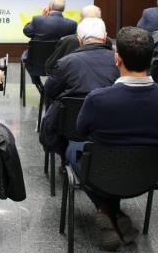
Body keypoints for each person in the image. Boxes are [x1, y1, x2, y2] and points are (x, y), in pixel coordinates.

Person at [65, 26, 158, 251]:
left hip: (101, 171)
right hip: (148, 175)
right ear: (151, 59)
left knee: (73, 149)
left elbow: (80, 130)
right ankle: (114, 211)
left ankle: (105, 208)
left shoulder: (99, 98)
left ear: (117, 59)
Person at [40, 17, 119, 154]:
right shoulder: (119, 60)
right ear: (105, 37)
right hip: (112, 128)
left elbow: (49, 91)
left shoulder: (66, 62)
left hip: (71, 130)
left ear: (79, 40)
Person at [23, 0, 77, 82]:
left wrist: (43, 17)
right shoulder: (72, 24)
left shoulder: (38, 20)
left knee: (25, 57)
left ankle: (38, 84)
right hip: (62, 64)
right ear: (63, 8)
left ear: (50, 6)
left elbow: (26, 31)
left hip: (38, 64)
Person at [44, 5, 109, 74]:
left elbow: (50, 66)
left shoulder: (68, 41)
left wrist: (45, 18)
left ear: (80, 20)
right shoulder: (108, 42)